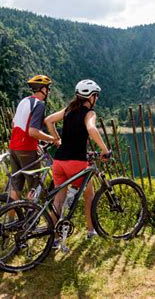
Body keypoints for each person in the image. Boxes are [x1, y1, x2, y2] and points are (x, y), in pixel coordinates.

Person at [44, 79, 110, 241]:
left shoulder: (68, 110)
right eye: (97, 96)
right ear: (91, 97)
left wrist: (57, 140)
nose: (97, 99)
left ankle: (53, 238)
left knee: (59, 199)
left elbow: (48, 121)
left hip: (59, 162)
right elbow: (92, 129)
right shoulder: (89, 113)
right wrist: (104, 149)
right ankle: (90, 230)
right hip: (76, 163)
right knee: (90, 195)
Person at [9, 75, 60, 201]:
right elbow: (32, 132)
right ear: (42, 89)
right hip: (26, 149)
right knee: (34, 185)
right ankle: (31, 217)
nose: (48, 91)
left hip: (13, 148)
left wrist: (39, 139)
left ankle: (11, 219)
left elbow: (14, 124)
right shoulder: (39, 105)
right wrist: (52, 139)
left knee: (16, 187)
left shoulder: (24, 101)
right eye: (48, 88)